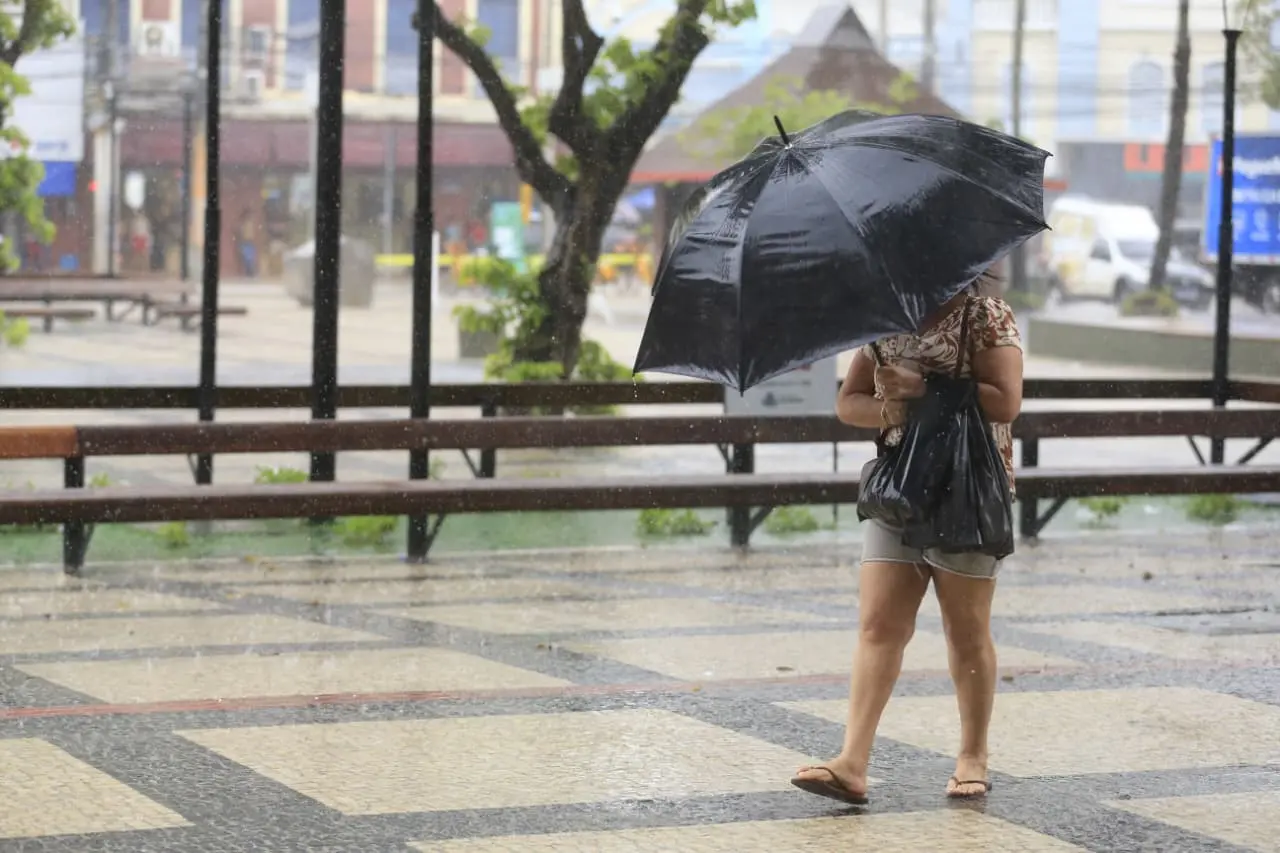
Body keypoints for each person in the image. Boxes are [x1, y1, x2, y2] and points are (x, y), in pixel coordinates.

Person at [791, 273, 1024, 804]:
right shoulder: (882, 318)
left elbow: (1007, 401)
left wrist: (923, 389)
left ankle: (972, 756)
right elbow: (849, 402)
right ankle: (851, 763)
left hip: (967, 487)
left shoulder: (984, 314)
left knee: (965, 629)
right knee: (879, 624)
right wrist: (891, 409)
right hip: (899, 487)